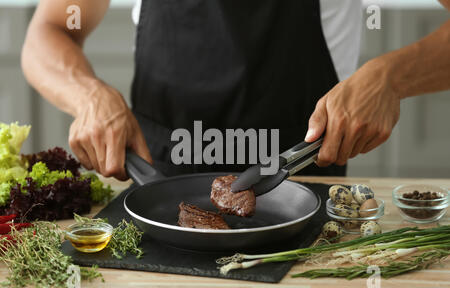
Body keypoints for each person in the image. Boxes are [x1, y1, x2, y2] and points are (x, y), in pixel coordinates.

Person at [21, 0, 450, 180]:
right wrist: (88, 95)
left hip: (303, 194)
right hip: (158, 191)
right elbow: (51, 29)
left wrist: (391, 77)